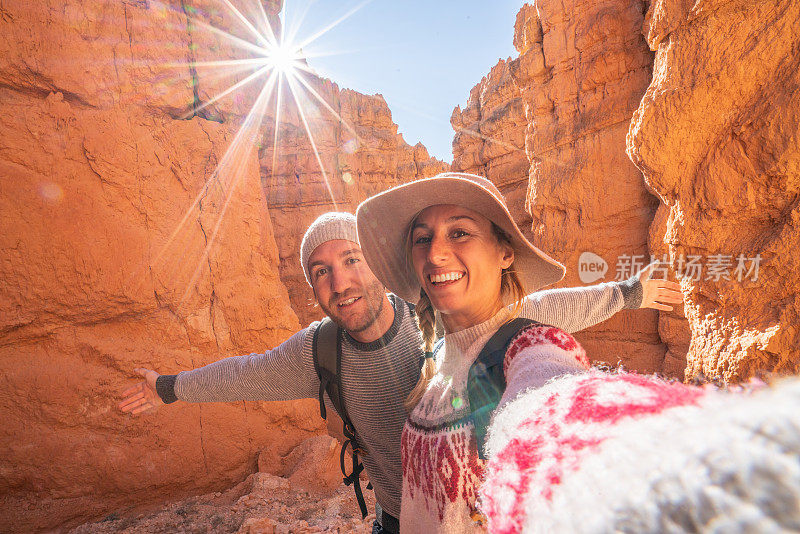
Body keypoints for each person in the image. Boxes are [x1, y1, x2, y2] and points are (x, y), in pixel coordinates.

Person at [120, 209, 680, 534]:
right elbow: (244, 374)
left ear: (375, 265)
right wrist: (167, 389)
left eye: (350, 261)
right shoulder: (318, 353)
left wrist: (629, 293)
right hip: (396, 520)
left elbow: (539, 320)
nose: (339, 283)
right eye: (321, 272)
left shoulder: (433, 310)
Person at [356, 172, 640, 532]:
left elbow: (551, 390)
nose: (435, 253)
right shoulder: (439, 357)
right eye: (422, 239)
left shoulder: (526, 348)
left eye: (459, 233)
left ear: (504, 252)